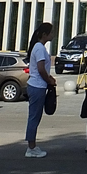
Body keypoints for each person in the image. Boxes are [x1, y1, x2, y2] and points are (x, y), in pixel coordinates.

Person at [23, 22, 57, 159]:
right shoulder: (39, 48)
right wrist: (49, 80)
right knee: (34, 117)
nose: (53, 35)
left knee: (35, 116)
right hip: (37, 86)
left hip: (37, 85)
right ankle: (31, 147)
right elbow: (41, 69)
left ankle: (32, 145)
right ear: (44, 34)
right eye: (51, 32)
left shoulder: (39, 47)